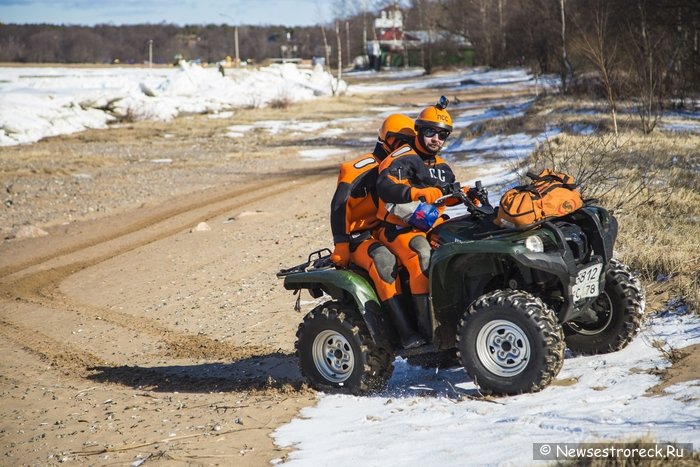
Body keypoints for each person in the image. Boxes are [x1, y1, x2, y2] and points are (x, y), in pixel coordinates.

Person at [329, 114, 425, 349]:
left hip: (388, 230)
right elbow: (338, 206)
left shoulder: (403, 168)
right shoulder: (359, 168)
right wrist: (341, 244)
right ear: (387, 139)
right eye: (401, 140)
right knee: (384, 261)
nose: (406, 145)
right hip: (358, 237)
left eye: (409, 141)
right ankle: (406, 333)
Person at [375, 96, 460, 339]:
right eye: (431, 133)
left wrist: (464, 195)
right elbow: (385, 186)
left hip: (430, 223)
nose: (437, 140)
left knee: (462, 241)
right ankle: (429, 331)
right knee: (421, 254)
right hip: (396, 228)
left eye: (442, 135)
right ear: (419, 130)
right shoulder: (403, 156)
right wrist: (417, 192)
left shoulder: (442, 166)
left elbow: (447, 194)